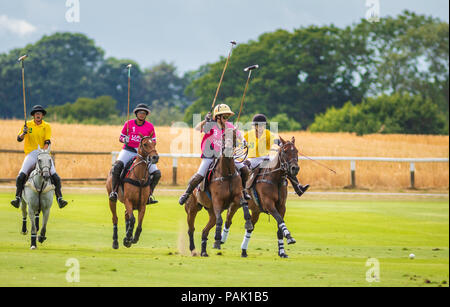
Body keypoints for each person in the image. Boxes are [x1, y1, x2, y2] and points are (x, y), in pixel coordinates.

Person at [178, 104, 251, 205]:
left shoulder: (229, 126)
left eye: (228, 117)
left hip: (225, 157)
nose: (226, 119)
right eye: (224, 117)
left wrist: (243, 141)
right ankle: (186, 194)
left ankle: (243, 191)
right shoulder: (211, 125)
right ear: (218, 117)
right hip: (210, 156)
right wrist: (205, 120)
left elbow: (238, 135)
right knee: (200, 175)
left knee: (244, 169)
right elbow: (197, 128)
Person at [11, 105, 68, 209]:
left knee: (55, 176)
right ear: (33, 115)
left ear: (42, 115)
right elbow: (19, 139)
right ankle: (18, 198)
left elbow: (47, 141)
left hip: (44, 154)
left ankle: (60, 198)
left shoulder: (46, 126)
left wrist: (44, 152)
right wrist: (23, 133)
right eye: (36, 113)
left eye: (40, 113)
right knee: (21, 175)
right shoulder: (27, 124)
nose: (38, 114)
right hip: (31, 154)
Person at [245, 114, 309, 197]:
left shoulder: (267, 134)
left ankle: (298, 187)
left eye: (263, 125)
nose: (261, 127)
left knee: (283, 165)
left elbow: (276, 141)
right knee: (244, 169)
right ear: (255, 126)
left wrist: (285, 145)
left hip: (265, 158)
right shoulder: (248, 135)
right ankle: (243, 192)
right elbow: (239, 142)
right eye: (259, 125)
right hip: (252, 160)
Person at [109, 103, 161, 205]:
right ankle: (114, 192)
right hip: (129, 150)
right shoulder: (128, 124)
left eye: (144, 113)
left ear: (146, 115)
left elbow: (154, 141)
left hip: (143, 153)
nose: (142, 115)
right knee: (117, 167)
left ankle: (149, 195)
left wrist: (150, 150)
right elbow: (120, 137)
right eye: (140, 113)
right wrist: (125, 139)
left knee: (157, 173)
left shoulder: (150, 126)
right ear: (136, 113)